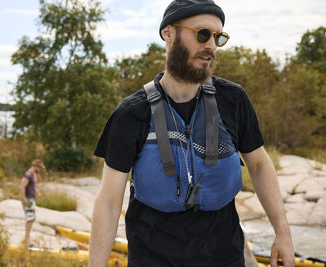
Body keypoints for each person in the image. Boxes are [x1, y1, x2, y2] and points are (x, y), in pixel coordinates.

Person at [89, 0, 296, 266]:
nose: (210, 45)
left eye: (218, 37)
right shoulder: (132, 113)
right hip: (153, 257)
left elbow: (258, 165)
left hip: (223, 255)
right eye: (202, 34)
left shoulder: (233, 99)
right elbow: (108, 200)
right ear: (169, 33)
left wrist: (283, 232)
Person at [19, 159, 44, 246]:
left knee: (32, 218)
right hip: (28, 199)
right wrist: (23, 198)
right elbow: (22, 186)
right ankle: (26, 238)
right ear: (36, 167)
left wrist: (38, 193)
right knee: (30, 218)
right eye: (39, 168)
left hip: (32, 199)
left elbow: (33, 186)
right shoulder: (28, 174)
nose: (40, 170)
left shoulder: (33, 175)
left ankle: (27, 237)